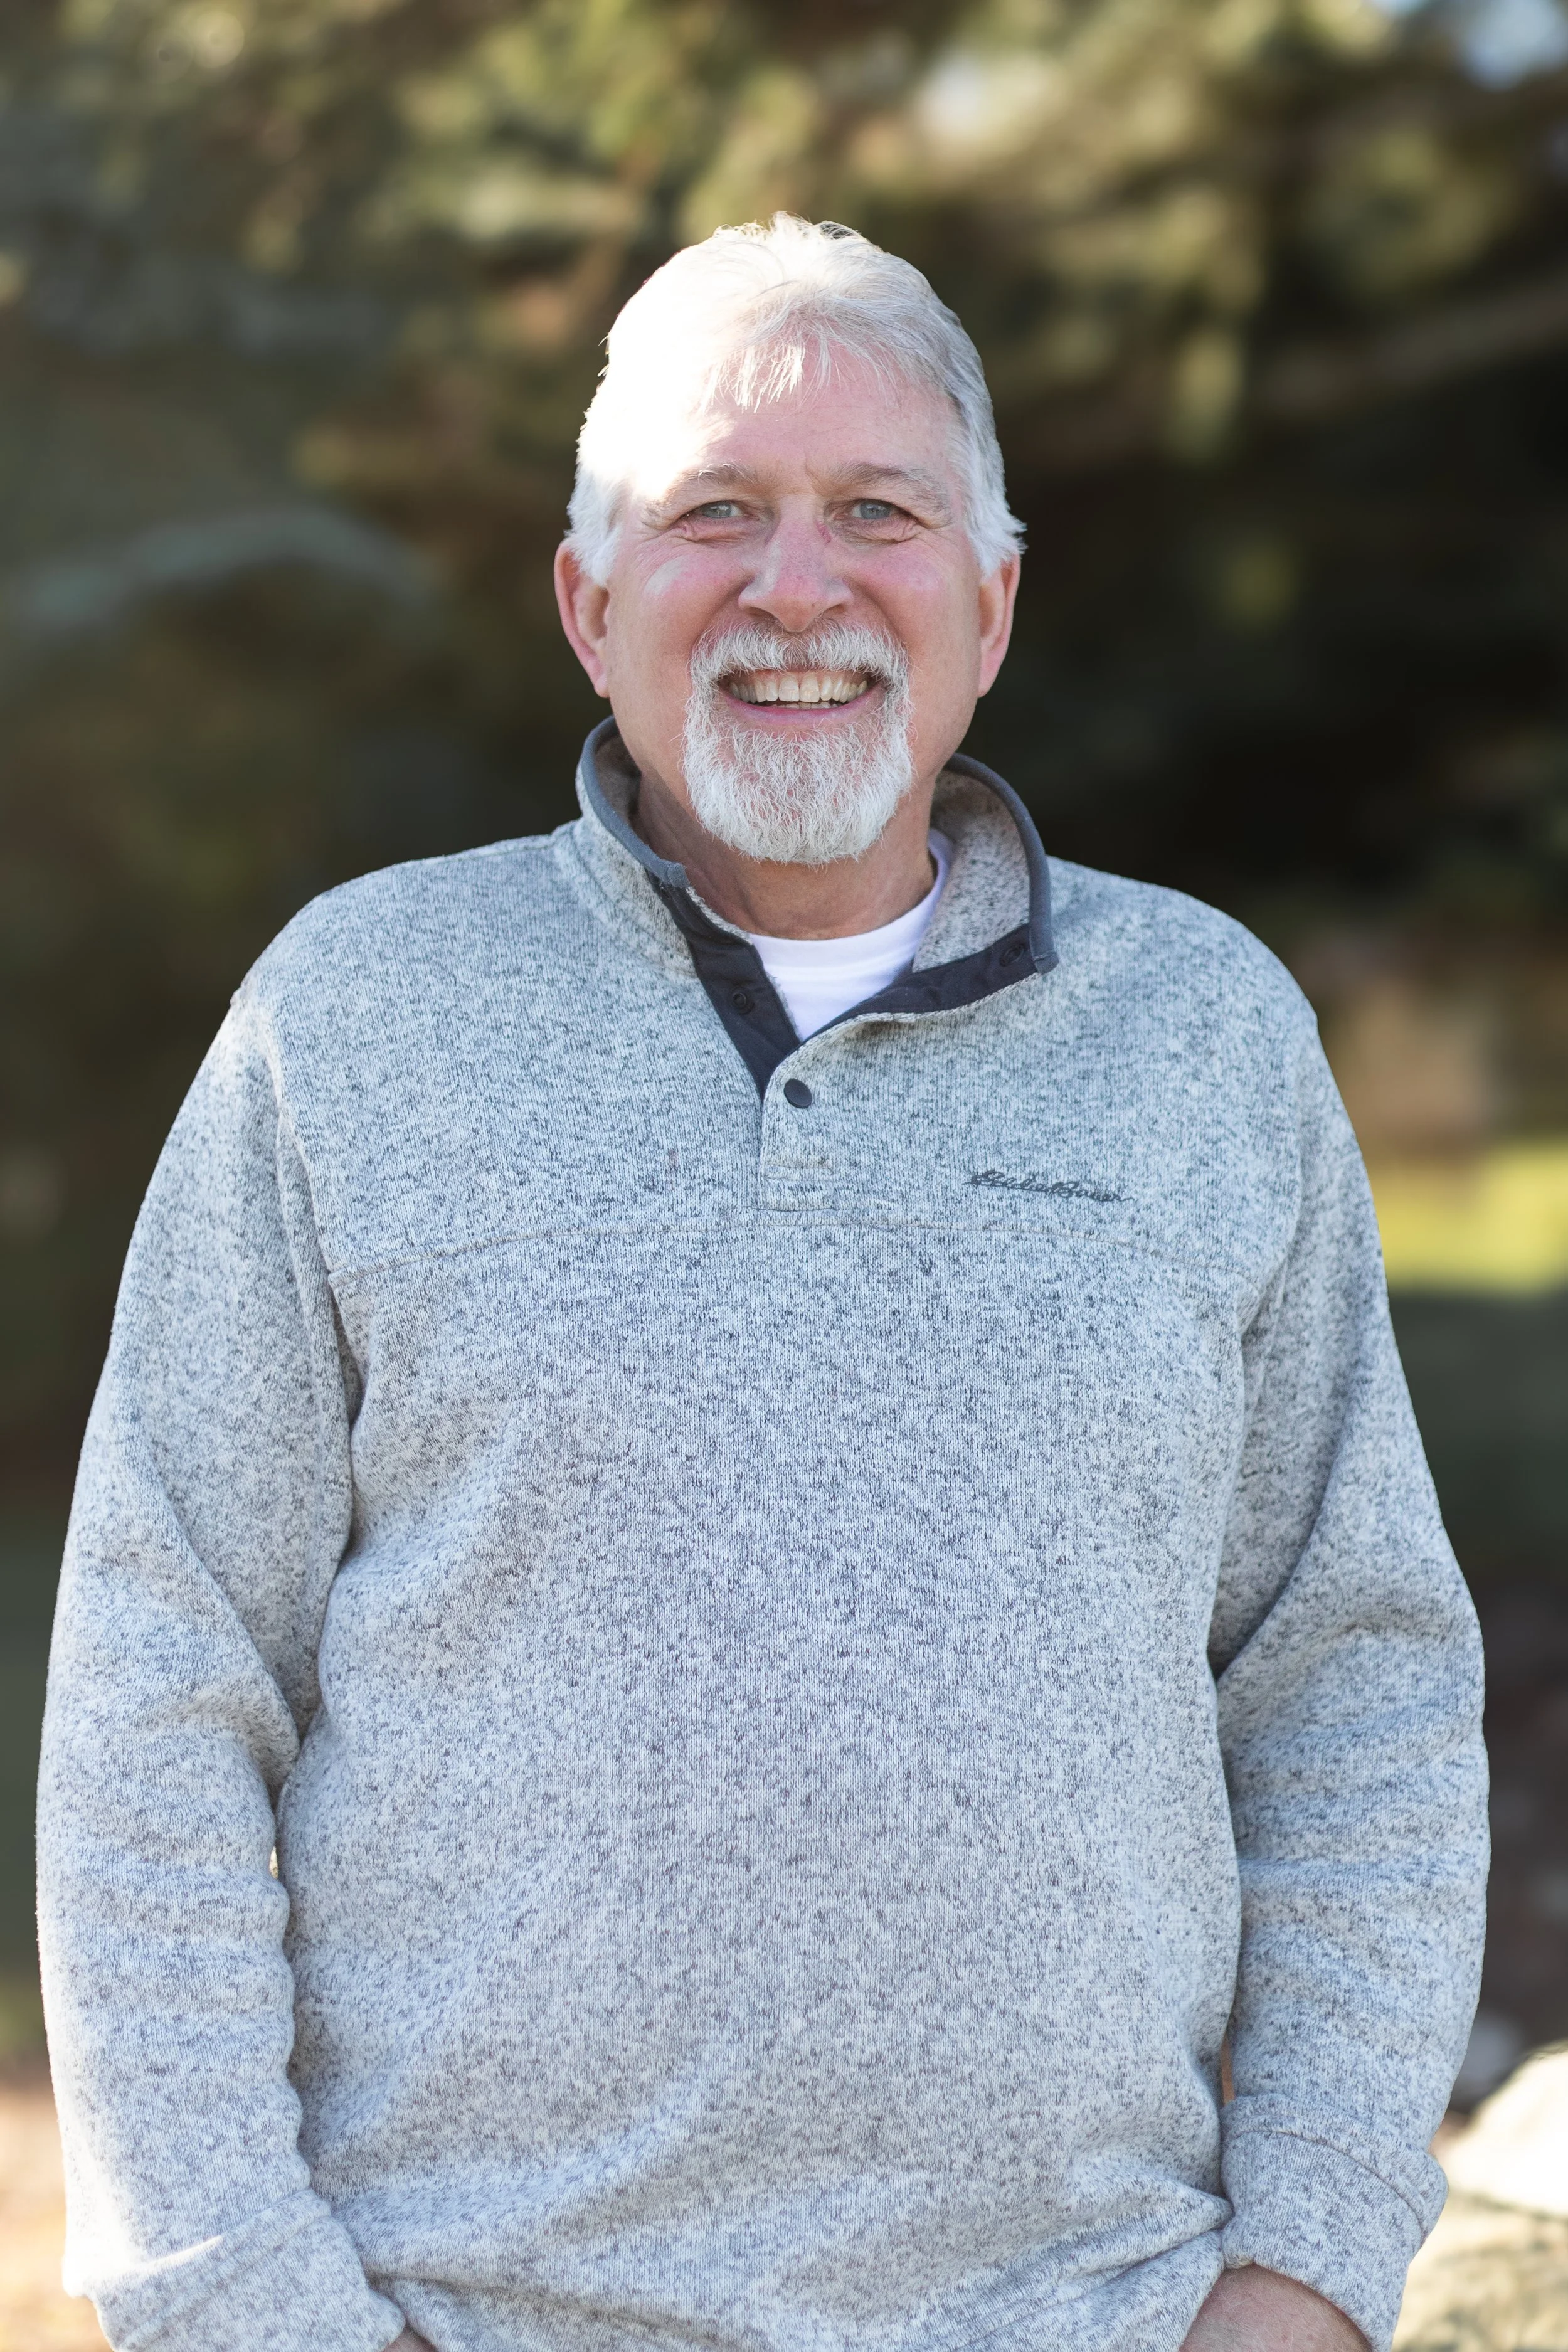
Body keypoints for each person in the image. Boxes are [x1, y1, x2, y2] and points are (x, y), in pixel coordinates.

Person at [38, 215, 1487, 2352]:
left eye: (877, 514)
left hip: (1084, 2318)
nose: (796, 587)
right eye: (712, 510)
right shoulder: (351, 1015)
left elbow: (1352, 1686)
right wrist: (242, 2305)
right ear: (586, 601)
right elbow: (155, 1693)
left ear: (989, 604)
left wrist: (1304, 2272)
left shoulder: (1205, 1034)